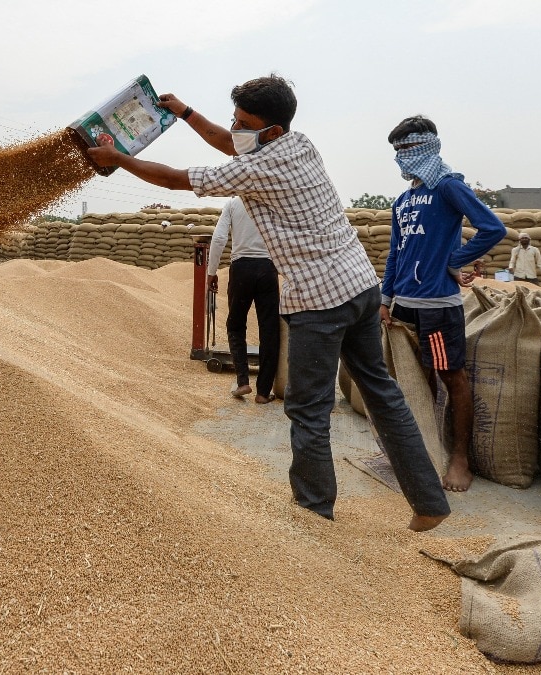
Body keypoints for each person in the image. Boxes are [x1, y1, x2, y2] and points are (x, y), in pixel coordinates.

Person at [85, 74, 449, 532]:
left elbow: (179, 180)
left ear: (271, 130)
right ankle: (429, 502)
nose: (234, 128)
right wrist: (185, 113)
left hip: (320, 299)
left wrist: (119, 158)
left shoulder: (260, 168)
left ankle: (313, 515)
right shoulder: (300, 143)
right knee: (382, 393)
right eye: (234, 119)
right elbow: (232, 145)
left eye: (243, 122)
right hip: (359, 284)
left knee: (307, 408)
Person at [379, 115, 507, 493]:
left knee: (452, 377)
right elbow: (395, 252)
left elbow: (492, 228)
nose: (402, 158)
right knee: (415, 378)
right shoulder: (402, 200)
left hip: (438, 305)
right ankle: (422, 449)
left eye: (408, 149)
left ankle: (459, 458)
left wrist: (455, 261)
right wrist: (385, 299)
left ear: (428, 147)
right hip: (403, 305)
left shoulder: (449, 187)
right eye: (396, 151)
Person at [207, 197, 279, 404]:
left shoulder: (233, 203)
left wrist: (212, 272)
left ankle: (242, 382)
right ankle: (263, 393)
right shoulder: (272, 200)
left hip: (241, 269)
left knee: (236, 325)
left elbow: (219, 238)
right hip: (267, 268)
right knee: (270, 330)